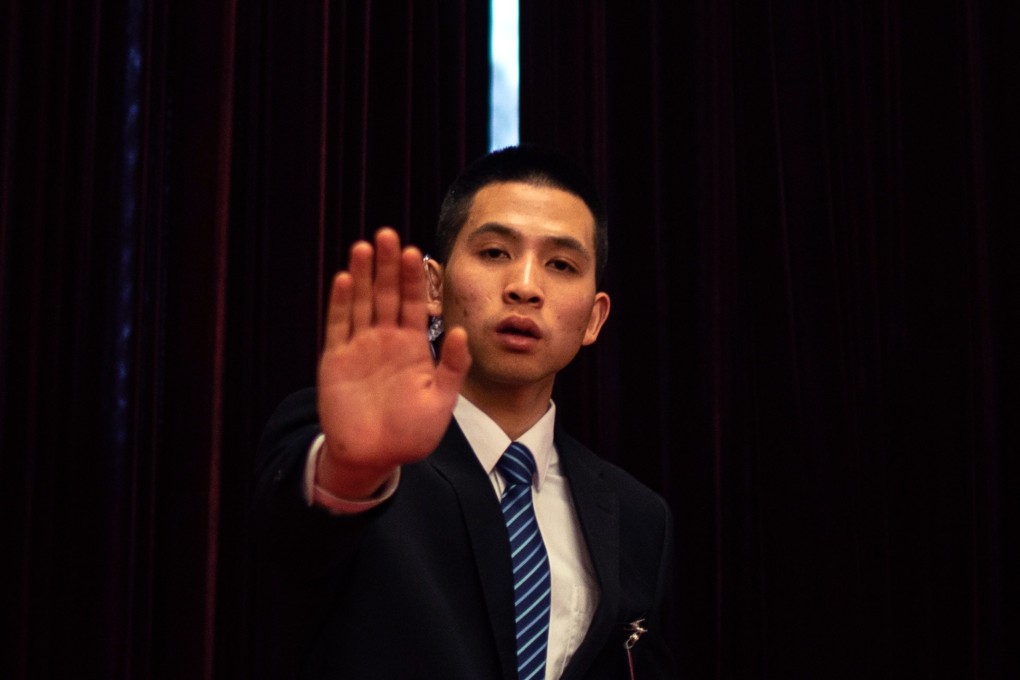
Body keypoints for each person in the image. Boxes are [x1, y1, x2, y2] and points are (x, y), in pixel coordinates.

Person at [253, 145, 676, 679]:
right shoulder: (356, 446)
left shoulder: (639, 518)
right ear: (435, 284)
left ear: (594, 319)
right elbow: (292, 544)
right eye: (496, 252)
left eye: (561, 264)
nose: (525, 286)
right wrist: (352, 473)